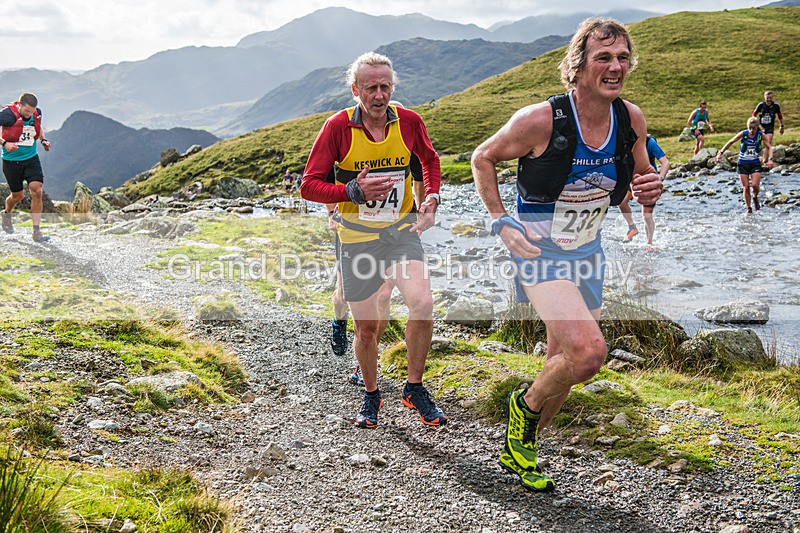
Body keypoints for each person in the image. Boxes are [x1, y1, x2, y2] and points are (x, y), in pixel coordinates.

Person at [471, 18, 662, 491]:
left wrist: (650, 188)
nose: (615, 67)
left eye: (622, 58)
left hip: (588, 253)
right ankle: (522, 408)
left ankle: (522, 449)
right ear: (577, 66)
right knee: (589, 353)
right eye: (603, 57)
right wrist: (501, 221)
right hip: (539, 252)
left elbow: (642, 175)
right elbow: (482, 158)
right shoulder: (541, 120)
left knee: (564, 361)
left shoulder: (630, 119)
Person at [301, 52, 447, 429]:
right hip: (358, 240)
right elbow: (309, 186)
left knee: (422, 304)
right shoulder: (337, 128)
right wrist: (351, 190)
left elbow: (429, 161)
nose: (379, 95)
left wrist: (431, 199)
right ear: (356, 90)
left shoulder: (409, 121)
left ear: (392, 87)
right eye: (371, 88)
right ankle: (371, 393)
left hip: (401, 233)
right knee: (366, 330)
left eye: (385, 87)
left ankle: (414, 388)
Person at [328, 153, 426, 390]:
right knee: (343, 296)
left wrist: (420, 211)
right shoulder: (348, 141)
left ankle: (365, 362)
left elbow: (420, 175)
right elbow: (327, 177)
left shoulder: (402, 141)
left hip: (393, 230)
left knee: (383, 294)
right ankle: (339, 320)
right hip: (353, 231)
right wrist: (331, 213)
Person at [1, 93, 52, 242]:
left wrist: (43, 140)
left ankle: (36, 231)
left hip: (31, 159)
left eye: (32, 111)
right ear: (19, 105)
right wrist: (4, 143)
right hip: (11, 161)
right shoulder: (7, 114)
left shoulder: (36, 113)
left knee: (37, 190)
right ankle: (6, 213)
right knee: (17, 196)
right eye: (27, 111)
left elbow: (37, 127)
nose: (29, 114)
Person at [618, 134, 670, 249]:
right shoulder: (626, 141)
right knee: (621, 202)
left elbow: (665, 163)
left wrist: (660, 179)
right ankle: (632, 228)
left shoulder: (650, 143)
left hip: (649, 181)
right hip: (632, 180)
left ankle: (649, 242)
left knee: (646, 215)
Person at [716, 117, 773, 213]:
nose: (751, 130)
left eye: (753, 128)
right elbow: (731, 141)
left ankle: (755, 197)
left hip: (755, 163)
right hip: (743, 163)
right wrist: (721, 152)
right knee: (746, 187)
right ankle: (749, 208)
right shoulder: (743, 134)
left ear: (757, 127)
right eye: (750, 128)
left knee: (755, 185)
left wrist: (770, 160)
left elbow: (769, 148)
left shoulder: (761, 135)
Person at [753, 90, 784, 162]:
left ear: (772, 97)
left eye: (770, 98)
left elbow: (780, 117)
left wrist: (781, 127)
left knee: (768, 143)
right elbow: (754, 115)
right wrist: (756, 124)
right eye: (767, 98)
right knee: (757, 144)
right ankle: (754, 159)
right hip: (760, 127)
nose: (769, 99)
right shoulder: (761, 105)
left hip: (770, 127)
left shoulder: (776, 106)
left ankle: (764, 161)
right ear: (765, 97)